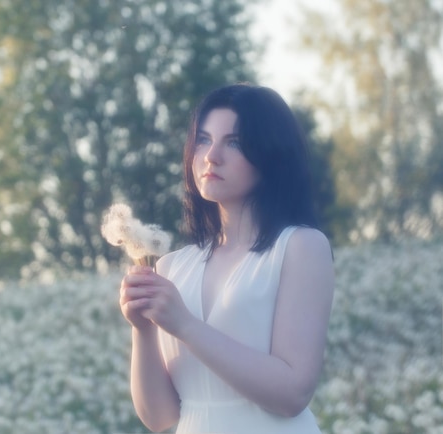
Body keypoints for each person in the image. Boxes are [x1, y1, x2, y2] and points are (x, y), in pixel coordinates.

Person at [119, 83, 334, 433]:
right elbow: (160, 417)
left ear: (270, 153)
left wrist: (184, 324)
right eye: (203, 140)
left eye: (233, 142)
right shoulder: (172, 266)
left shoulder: (301, 247)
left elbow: (293, 393)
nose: (211, 156)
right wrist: (142, 329)